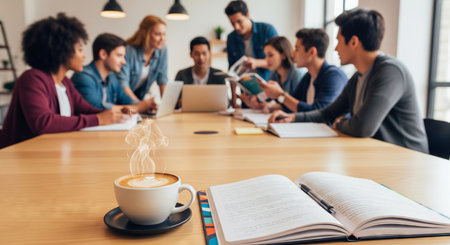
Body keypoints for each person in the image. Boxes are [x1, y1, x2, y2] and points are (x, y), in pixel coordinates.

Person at [269, 8, 428, 153]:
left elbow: (362, 127)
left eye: (338, 40)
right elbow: (329, 113)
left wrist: (340, 123)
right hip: (377, 155)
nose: (336, 48)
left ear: (353, 42)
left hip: (406, 160)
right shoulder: (359, 76)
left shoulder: (390, 71)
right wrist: (293, 118)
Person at [0, 13, 127, 149]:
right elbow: (43, 122)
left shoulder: (65, 82)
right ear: (61, 51)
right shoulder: (32, 78)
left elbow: (87, 110)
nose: (84, 55)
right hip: (18, 158)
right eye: (79, 50)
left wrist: (117, 115)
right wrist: (99, 119)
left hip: (49, 153)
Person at [260, 28, 347, 113]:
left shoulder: (334, 76)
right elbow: (293, 104)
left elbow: (319, 113)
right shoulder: (309, 76)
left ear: (312, 52)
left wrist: (280, 94)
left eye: (297, 49)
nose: (292, 54)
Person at [71, 33, 157, 113]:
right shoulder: (83, 76)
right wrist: (137, 108)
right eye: (119, 56)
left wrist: (146, 105)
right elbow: (95, 108)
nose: (124, 62)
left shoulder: (111, 77)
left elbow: (126, 100)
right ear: (103, 54)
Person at [224, 0, 278, 107]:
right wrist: (234, 102)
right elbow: (232, 73)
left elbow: (279, 61)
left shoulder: (267, 30)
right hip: (246, 95)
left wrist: (257, 63)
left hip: (269, 92)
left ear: (247, 15)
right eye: (232, 23)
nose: (236, 27)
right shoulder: (231, 38)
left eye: (239, 21)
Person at [239, 36, 305, 112]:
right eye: (265, 56)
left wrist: (275, 106)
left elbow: (298, 106)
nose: (266, 60)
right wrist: (255, 105)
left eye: (270, 55)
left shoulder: (296, 73)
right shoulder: (275, 74)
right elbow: (269, 100)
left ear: (283, 55)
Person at [116, 15, 168, 101]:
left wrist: (166, 105)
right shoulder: (128, 51)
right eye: (158, 34)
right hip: (120, 101)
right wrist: (140, 106)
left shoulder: (162, 50)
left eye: (164, 34)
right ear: (146, 34)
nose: (162, 39)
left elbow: (162, 79)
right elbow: (123, 85)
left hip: (137, 101)